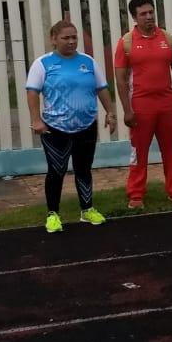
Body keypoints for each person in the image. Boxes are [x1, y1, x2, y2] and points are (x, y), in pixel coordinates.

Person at [26, 20, 118, 231]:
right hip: (55, 128)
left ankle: (87, 210)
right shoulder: (43, 64)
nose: (71, 41)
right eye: (65, 37)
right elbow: (32, 92)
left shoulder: (88, 62)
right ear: (54, 39)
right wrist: (36, 120)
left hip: (86, 126)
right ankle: (53, 214)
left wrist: (110, 112)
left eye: (74, 37)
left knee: (83, 169)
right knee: (56, 171)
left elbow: (102, 88)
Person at [113, 0, 172, 210]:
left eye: (151, 12)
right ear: (135, 18)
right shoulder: (126, 42)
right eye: (143, 14)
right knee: (139, 151)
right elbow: (119, 79)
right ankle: (136, 194)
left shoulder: (168, 38)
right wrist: (127, 110)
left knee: (171, 150)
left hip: (166, 103)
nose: (149, 17)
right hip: (140, 105)